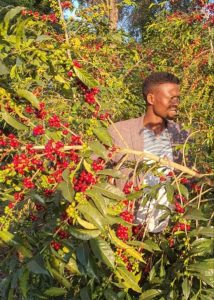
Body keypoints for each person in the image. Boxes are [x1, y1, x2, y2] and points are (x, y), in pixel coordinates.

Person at [108, 72, 189, 232]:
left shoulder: (181, 134)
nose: (176, 103)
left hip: (169, 231)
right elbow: (97, 173)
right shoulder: (119, 131)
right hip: (129, 229)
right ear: (151, 99)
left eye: (177, 98)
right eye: (171, 98)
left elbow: (186, 181)